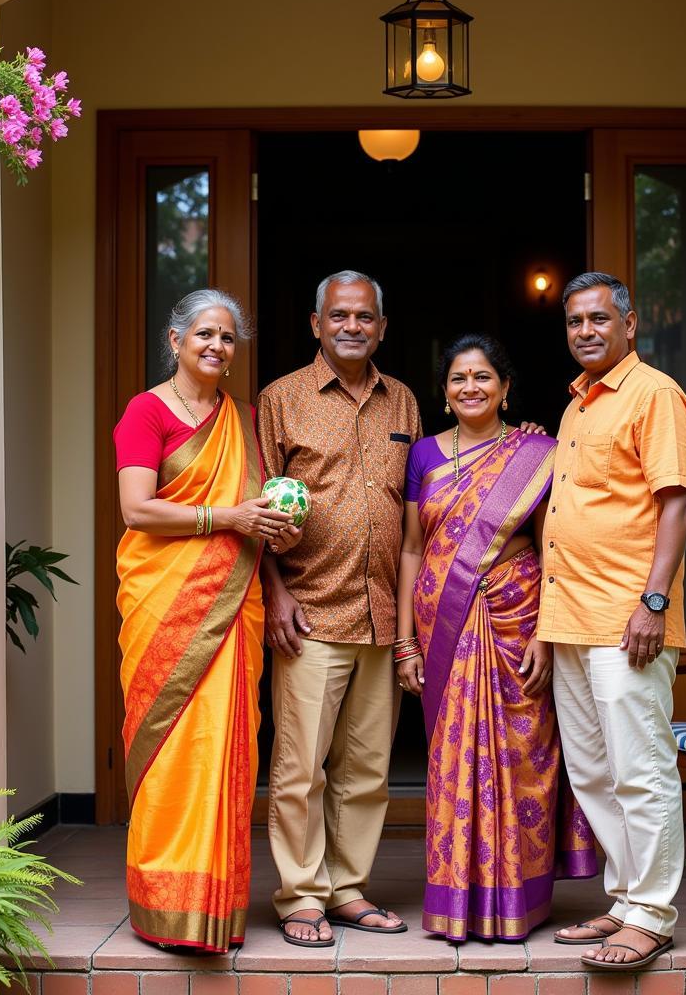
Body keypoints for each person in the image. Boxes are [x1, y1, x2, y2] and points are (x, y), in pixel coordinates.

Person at [395, 334, 597, 943]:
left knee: (522, 754)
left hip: (518, 616)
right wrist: (405, 641)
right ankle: (457, 899)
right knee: (451, 759)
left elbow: (552, 545)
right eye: (459, 378)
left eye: (483, 377)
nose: (470, 388)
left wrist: (547, 631)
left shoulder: (537, 451)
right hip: (442, 623)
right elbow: (410, 549)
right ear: (445, 391)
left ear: (505, 389)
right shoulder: (425, 455)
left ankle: (519, 898)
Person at [114, 289, 299, 952]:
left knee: (223, 749)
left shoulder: (242, 420)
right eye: (204, 335)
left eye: (227, 337)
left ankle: (214, 907)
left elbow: (254, 511)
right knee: (170, 753)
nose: (217, 346)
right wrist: (227, 519)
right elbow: (138, 509)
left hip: (234, 604)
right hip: (164, 605)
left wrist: (273, 556)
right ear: (175, 340)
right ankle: (163, 902)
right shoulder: (146, 412)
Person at [256, 270, 421, 947]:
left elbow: (424, 499)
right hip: (310, 611)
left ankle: (347, 888)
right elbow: (258, 506)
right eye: (339, 316)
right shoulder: (280, 399)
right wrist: (274, 591)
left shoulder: (404, 402)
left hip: (382, 613)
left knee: (366, 771)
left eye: (365, 317)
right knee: (300, 768)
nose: (352, 326)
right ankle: (300, 895)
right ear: (316, 324)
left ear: (382, 327)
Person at [539, 272, 686, 970]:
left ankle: (654, 913)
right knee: (595, 773)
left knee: (641, 768)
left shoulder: (654, 393)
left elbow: (676, 502)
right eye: (575, 321)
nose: (586, 331)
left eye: (599, 319)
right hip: (571, 616)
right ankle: (627, 898)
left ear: (629, 325)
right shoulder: (577, 406)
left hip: (626, 617)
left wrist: (653, 602)